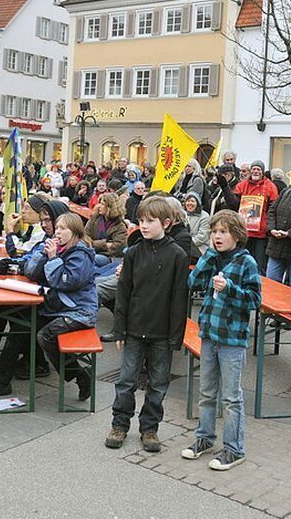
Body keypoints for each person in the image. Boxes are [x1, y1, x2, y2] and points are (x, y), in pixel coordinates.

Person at [0, 213, 98, 401]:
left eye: (62, 228)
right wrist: (43, 253)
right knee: (19, 327)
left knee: (45, 336)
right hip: (56, 307)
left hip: (78, 311)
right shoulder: (59, 248)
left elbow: (66, 282)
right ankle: (2, 383)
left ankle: (79, 375)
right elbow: (32, 270)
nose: (57, 232)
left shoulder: (81, 255)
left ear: (75, 232)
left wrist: (51, 258)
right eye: (57, 227)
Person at [105, 197, 190, 451]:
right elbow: (124, 292)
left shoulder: (178, 255)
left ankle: (150, 428)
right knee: (126, 380)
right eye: (141, 220)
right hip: (134, 329)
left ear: (166, 223)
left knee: (158, 383)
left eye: (150, 221)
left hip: (161, 332)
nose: (143, 225)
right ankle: (119, 424)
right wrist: (119, 328)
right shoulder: (133, 253)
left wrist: (176, 336)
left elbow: (179, 299)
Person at [183, 210, 261, 471]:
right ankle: (204, 438)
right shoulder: (213, 257)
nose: (217, 236)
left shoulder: (246, 262)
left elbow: (254, 300)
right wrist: (207, 256)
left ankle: (234, 448)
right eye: (215, 231)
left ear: (237, 236)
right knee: (206, 392)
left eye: (223, 232)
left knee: (231, 397)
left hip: (231, 338)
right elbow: (192, 282)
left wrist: (229, 289)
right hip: (209, 334)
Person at [233, 160, 279, 273]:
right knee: (241, 261)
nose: (255, 171)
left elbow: (274, 208)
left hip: (261, 233)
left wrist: (269, 226)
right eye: (254, 169)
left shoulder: (270, 186)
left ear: (262, 172)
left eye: (258, 169)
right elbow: (234, 203)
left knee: (259, 264)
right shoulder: (242, 185)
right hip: (244, 230)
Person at [85, 193, 128, 259]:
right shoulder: (94, 219)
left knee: (92, 258)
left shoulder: (120, 225)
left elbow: (118, 248)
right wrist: (105, 243)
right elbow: (85, 237)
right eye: (99, 203)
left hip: (108, 257)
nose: (99, 206)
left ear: (109, 208)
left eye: (102, 204)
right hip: (92, 250)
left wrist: (93, 243)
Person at [183, 192, 211, 263]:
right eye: (188, 201)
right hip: (185, 246)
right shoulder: (183, 214)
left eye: (192, 201)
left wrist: (186, 244)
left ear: (197, 203)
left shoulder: (205, 216)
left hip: (200, 248)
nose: (190, 203)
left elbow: (202, 237)